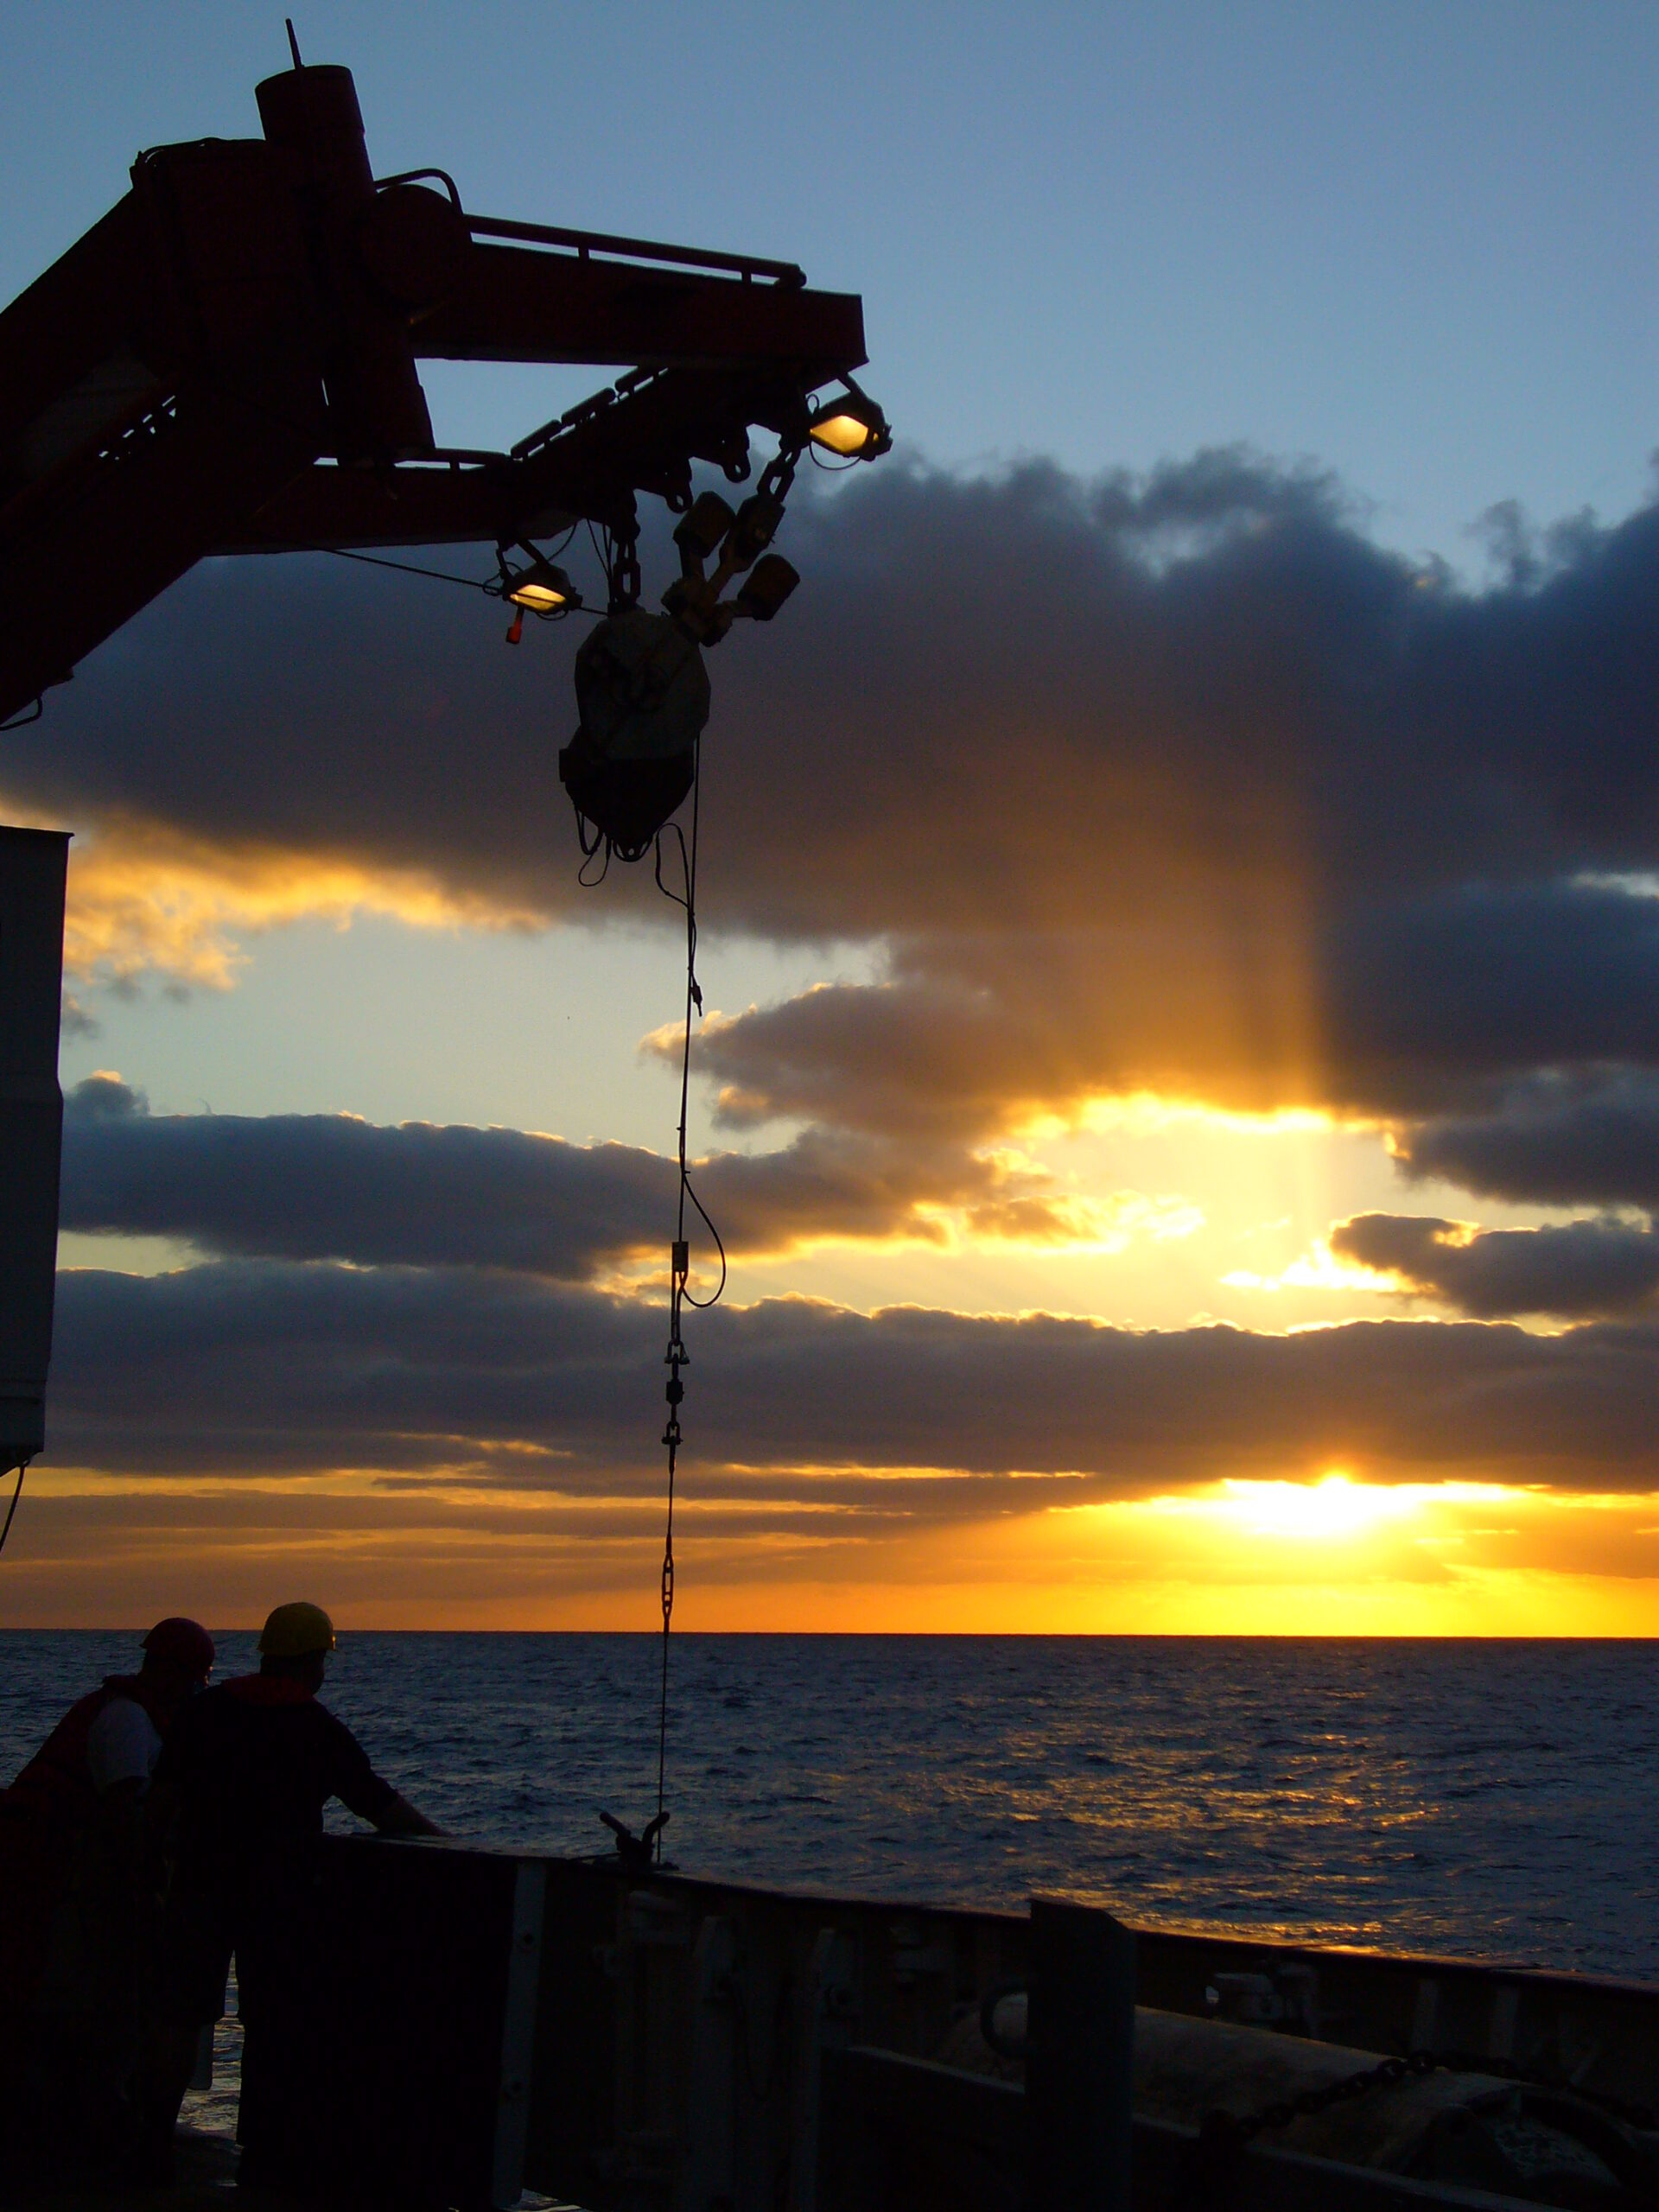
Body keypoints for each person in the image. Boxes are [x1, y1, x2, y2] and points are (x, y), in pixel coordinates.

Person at [143, 1601, 439, 2182]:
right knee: (274, 2023)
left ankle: (149, 2141)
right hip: (279, 1900)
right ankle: (266, 2150)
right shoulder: (315, 1729)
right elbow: (380, 1807)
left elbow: (161, 1803)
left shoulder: (206, 1713)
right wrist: (448, 1841)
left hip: (199, 1886)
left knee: (178, 2016)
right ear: (311, 1662)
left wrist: (150, 1867)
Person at [0, 1619, 215, 2171]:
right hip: (56, 1878)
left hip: (66, 1875)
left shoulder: (126, 1712)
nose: (197, 1689)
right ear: (172, 1673)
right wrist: (144, 1887)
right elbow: (122, 1813)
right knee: (75, 2001)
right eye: (195, 1676)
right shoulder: (126, 1719)